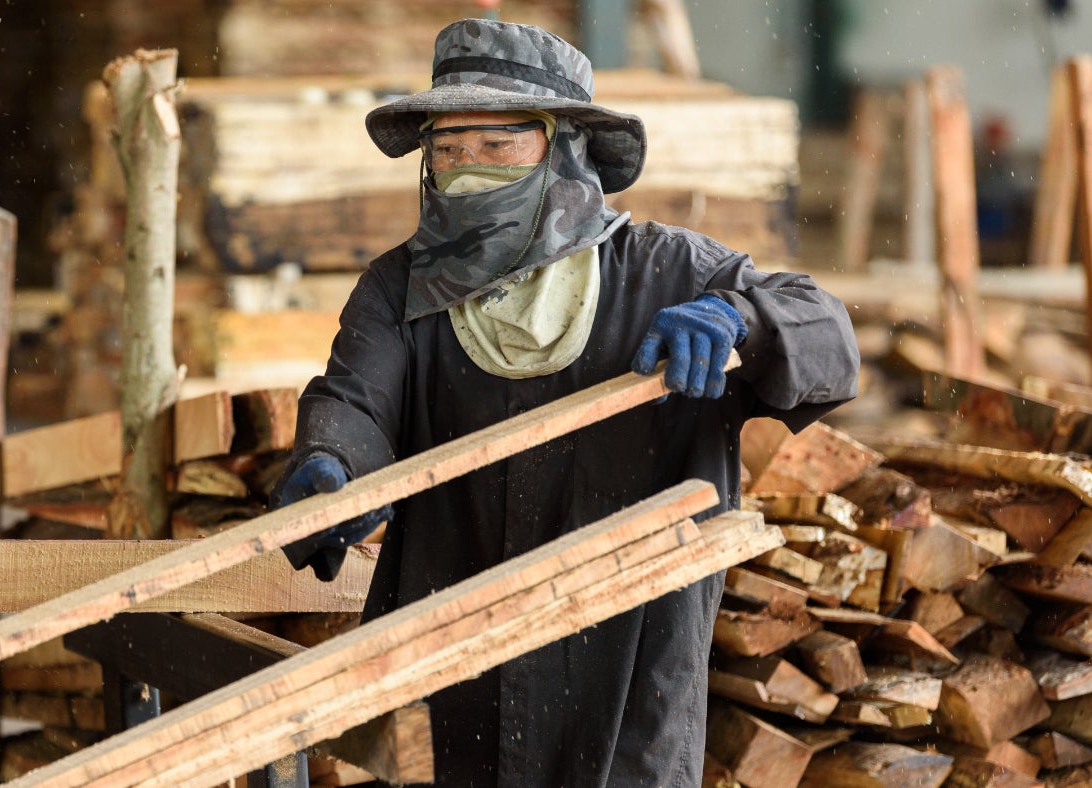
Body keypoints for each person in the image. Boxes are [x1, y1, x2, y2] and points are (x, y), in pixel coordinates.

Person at [271, 19, 860, 787]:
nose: (466, 170)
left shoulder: (673, 270)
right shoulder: (397, 288)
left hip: (631, 661)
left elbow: (832, 343)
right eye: (447, 150)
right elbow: (355, 397)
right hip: (457, 654)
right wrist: (332, 464)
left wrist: (739, 317)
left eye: (498, 146)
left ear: (564, 149)